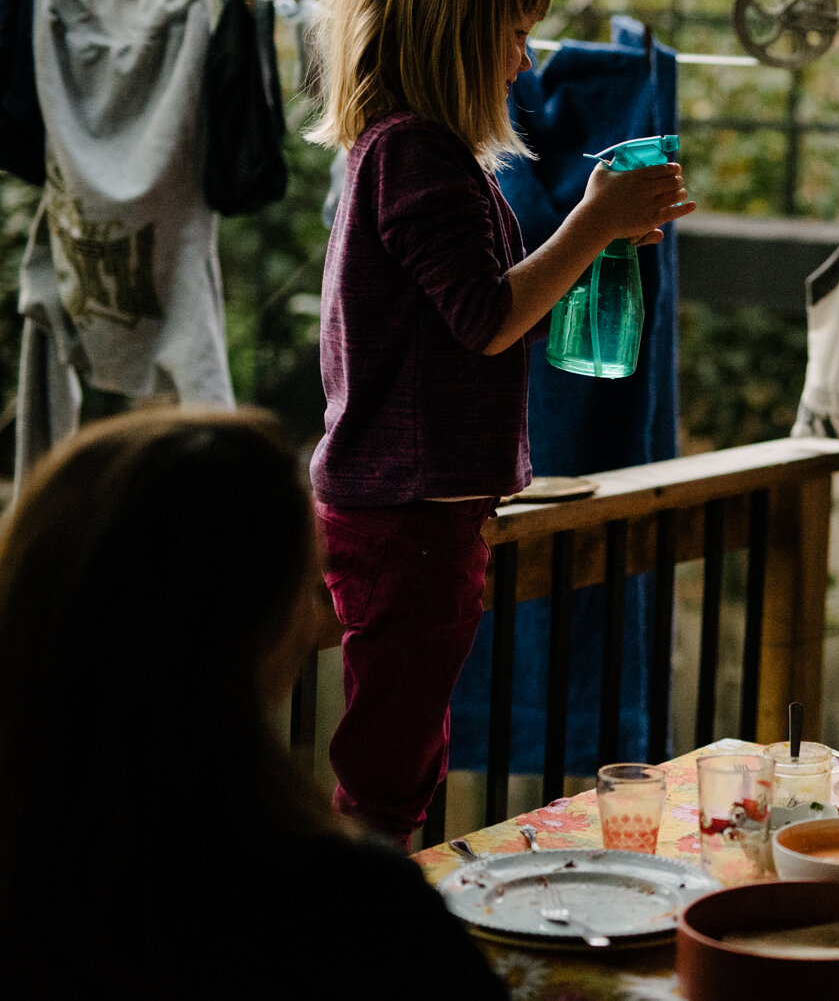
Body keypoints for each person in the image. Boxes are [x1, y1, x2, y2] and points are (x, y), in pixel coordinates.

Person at [304, 0, 694, 840]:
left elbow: (475, 304)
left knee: (408, 734)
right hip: (408, 518)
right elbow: (484, 318)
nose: (525, 58)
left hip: (421, 511)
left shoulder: (406, 154)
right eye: (513, 31)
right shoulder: (417, 155)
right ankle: (362, 923)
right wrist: (593, 218)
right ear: (451, 28)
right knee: (391, 759)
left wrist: (605, 241)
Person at [0, 409, 507, 1000]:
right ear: (263, 629)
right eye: (309, 584)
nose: (317, 609)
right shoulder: (346, 904)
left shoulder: (36, 878)